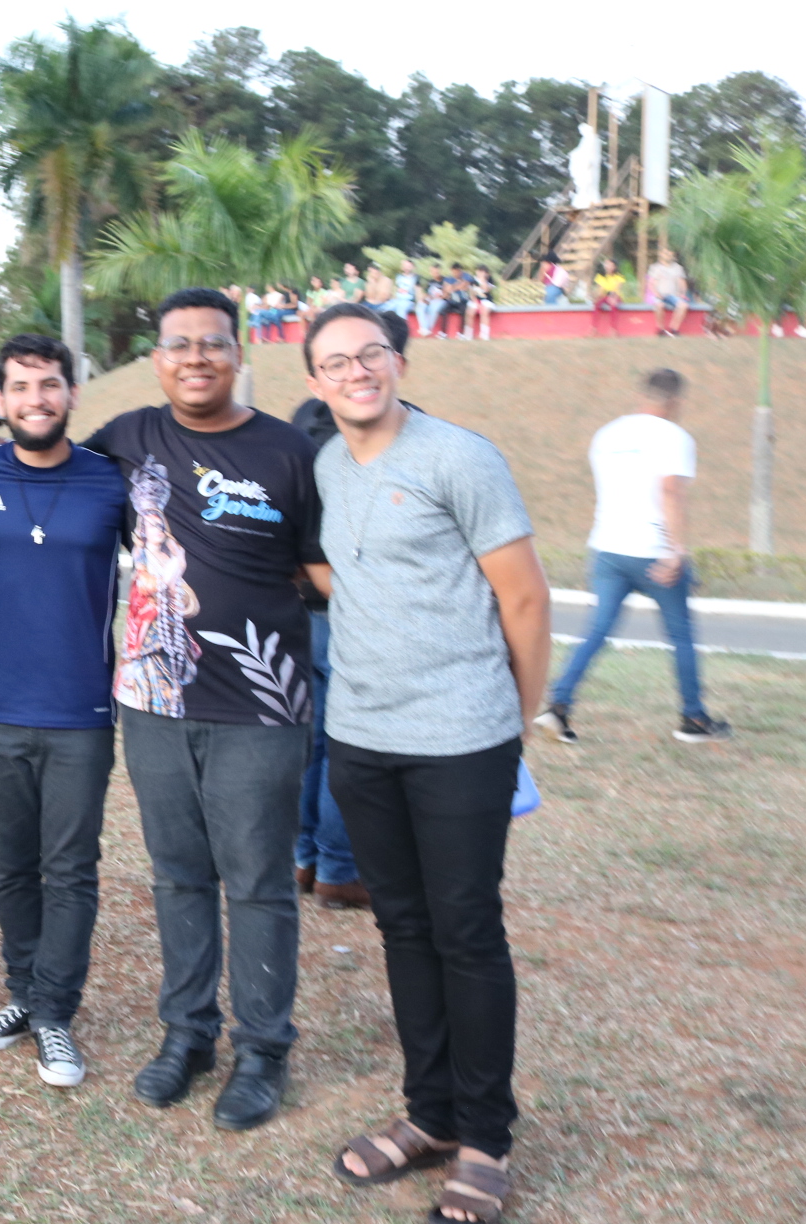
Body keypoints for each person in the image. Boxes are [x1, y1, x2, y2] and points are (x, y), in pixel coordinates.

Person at [303, 302, 550, 1224]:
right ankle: (431, 1115)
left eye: (370, 353)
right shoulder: (328, 465)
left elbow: (524, 599)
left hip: (461, 741)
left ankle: (486, 1140)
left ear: (398, 361)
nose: (356, 372)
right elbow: (347, 574)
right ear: (316, 381)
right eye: (336, 362)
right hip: (362, 739)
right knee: (403, 928)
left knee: (466, 933)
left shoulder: (460, 458)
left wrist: (513, 720)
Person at [81, 287, 325, 1130]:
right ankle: (187, 1035)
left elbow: (324, 570)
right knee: (178, 874)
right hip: (153, 702)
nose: (196, 357)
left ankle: (263, 1051)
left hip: (263, 703)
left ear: (238, 354)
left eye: (212, 343)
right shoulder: (126, 439)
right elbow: (54, 485)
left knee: (258, 881)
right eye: (179, 344)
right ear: (157, 360)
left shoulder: (288, 450)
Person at [0, 334, 125, 1089]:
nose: (36, 399)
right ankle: (25, 996)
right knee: (9, 868)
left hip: (80, 709)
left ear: (72, 393)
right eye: (20, 387)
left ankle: (56, 1012)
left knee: (70, 869)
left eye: (49, 384)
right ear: (1, 400)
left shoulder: (109, 480)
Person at [283, 312, 417, 912]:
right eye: (341, 361)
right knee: (348, 742)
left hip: (299, 607)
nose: (358, 370)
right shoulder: (392, 431)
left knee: (311, 741)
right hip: (353, 606)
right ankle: (340, 868)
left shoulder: (298, 423)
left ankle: (303, 857)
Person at [534, 369, 730, 745]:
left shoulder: (607, 434)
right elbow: (670, 492)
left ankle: (558, 706)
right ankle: (693, 718)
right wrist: (676, 550)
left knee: (597, 631)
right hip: (653, 550)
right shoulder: (674, 437)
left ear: (643, 395)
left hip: (608, 547)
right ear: (676, 401)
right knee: (681, 634)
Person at [648, 249, 690, 337]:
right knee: (659, 305)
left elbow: (682, 282)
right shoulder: (655, 267)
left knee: (683, 305)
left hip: (673, 295)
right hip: (659, 295)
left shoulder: (678, 268)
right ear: (661, 255)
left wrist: (683, 293)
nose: (668, 255)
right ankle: (660, 329)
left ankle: (674, 329)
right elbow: (651, 284)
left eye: (670, 254)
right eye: (666, 253)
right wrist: (657, 294)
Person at [592, 258, 625, 336]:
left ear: (614, 267)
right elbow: (599, 290)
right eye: (606, 264)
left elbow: (617, 289)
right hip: (604, 296)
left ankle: (613, 329)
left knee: (613, 305)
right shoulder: (600, 276)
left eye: (610, 265)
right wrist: (596, 298)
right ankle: (594, 329)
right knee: (597, 304)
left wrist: (613, 297)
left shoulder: (619, 277)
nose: (608, 266)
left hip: (615, 296)